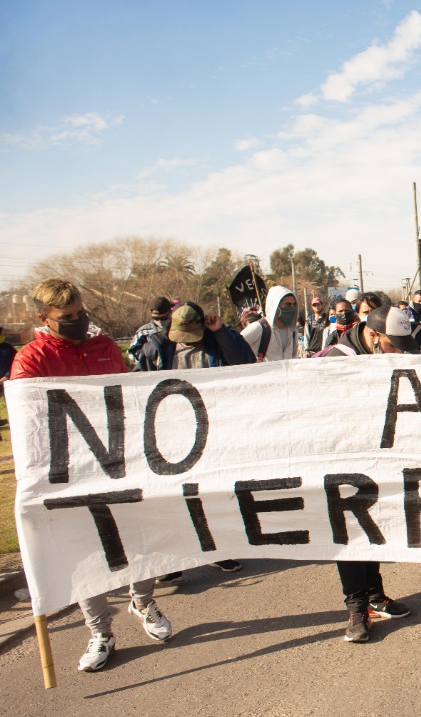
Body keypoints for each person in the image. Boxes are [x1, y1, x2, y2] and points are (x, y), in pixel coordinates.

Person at [10, 279, 175, 672]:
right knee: (84, 552)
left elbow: (128, 401)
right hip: (69, 475)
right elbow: (29, 427)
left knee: (137, 539)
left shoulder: (104, 348)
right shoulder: (30, 361)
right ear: (43, 318)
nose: (78, 321)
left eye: (81, 313)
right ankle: (100, 631)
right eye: (67, 318)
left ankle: (143, 601)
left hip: (119, 464)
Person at [135, 301, 254, 577]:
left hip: (213, 427)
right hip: (170, 429)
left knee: (213, 493)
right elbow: (137, 385)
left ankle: (218, 550)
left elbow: (245, 364)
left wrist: (221, 332)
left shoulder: (218, 340)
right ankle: (173, 559)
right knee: (172, 496)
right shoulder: (156, 346)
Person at [320, 305, 416, 640]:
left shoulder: (378, 354)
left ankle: (375, 595)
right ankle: (356, 610)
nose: (398, 354)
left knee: (374, 528)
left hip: (375, 458)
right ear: (373, 336)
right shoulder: (335, 359)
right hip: (342, 464)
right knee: (351, 534)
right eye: (393, 346)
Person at [240, 285, 300, 362]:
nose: (292, 308)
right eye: (288, 304)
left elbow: (294, 358)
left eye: (294, 304)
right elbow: (235, 348)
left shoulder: (292, 331)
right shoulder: (259, 328)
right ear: (275, 306)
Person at [127, 296, 174, 361]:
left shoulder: (176, 329)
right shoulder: (144, 331)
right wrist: (146, 359)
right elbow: (132, 352)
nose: (160, 321)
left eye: (164, 318)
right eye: (156, 318)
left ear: (170, 313)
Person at [0, 325, 17, 395]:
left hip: (6, 382)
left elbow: (16, 364)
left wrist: (7, 376)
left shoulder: (8, 348)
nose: (3, 336)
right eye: (1, 334)